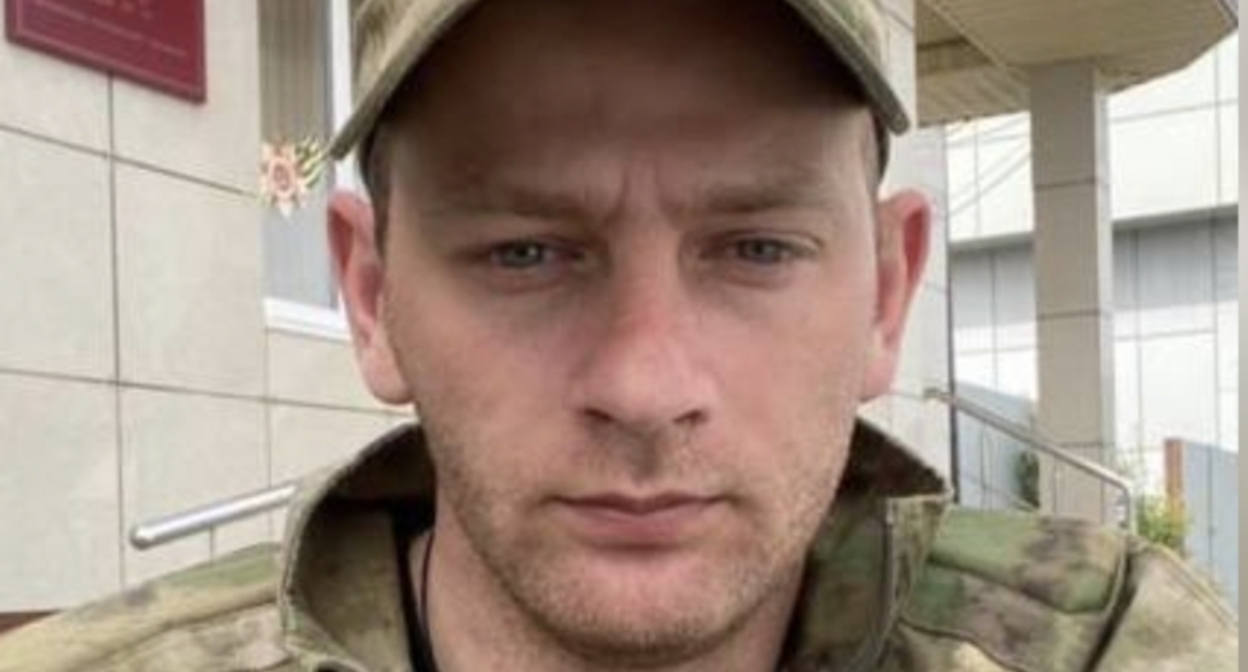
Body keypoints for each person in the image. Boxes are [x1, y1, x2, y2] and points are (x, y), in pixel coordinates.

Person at [0, 0, 1236, 670]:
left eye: (756, 249)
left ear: (884, 296)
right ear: (371, 299)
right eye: (525, 253)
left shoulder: (1111, 648)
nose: (645, 386)